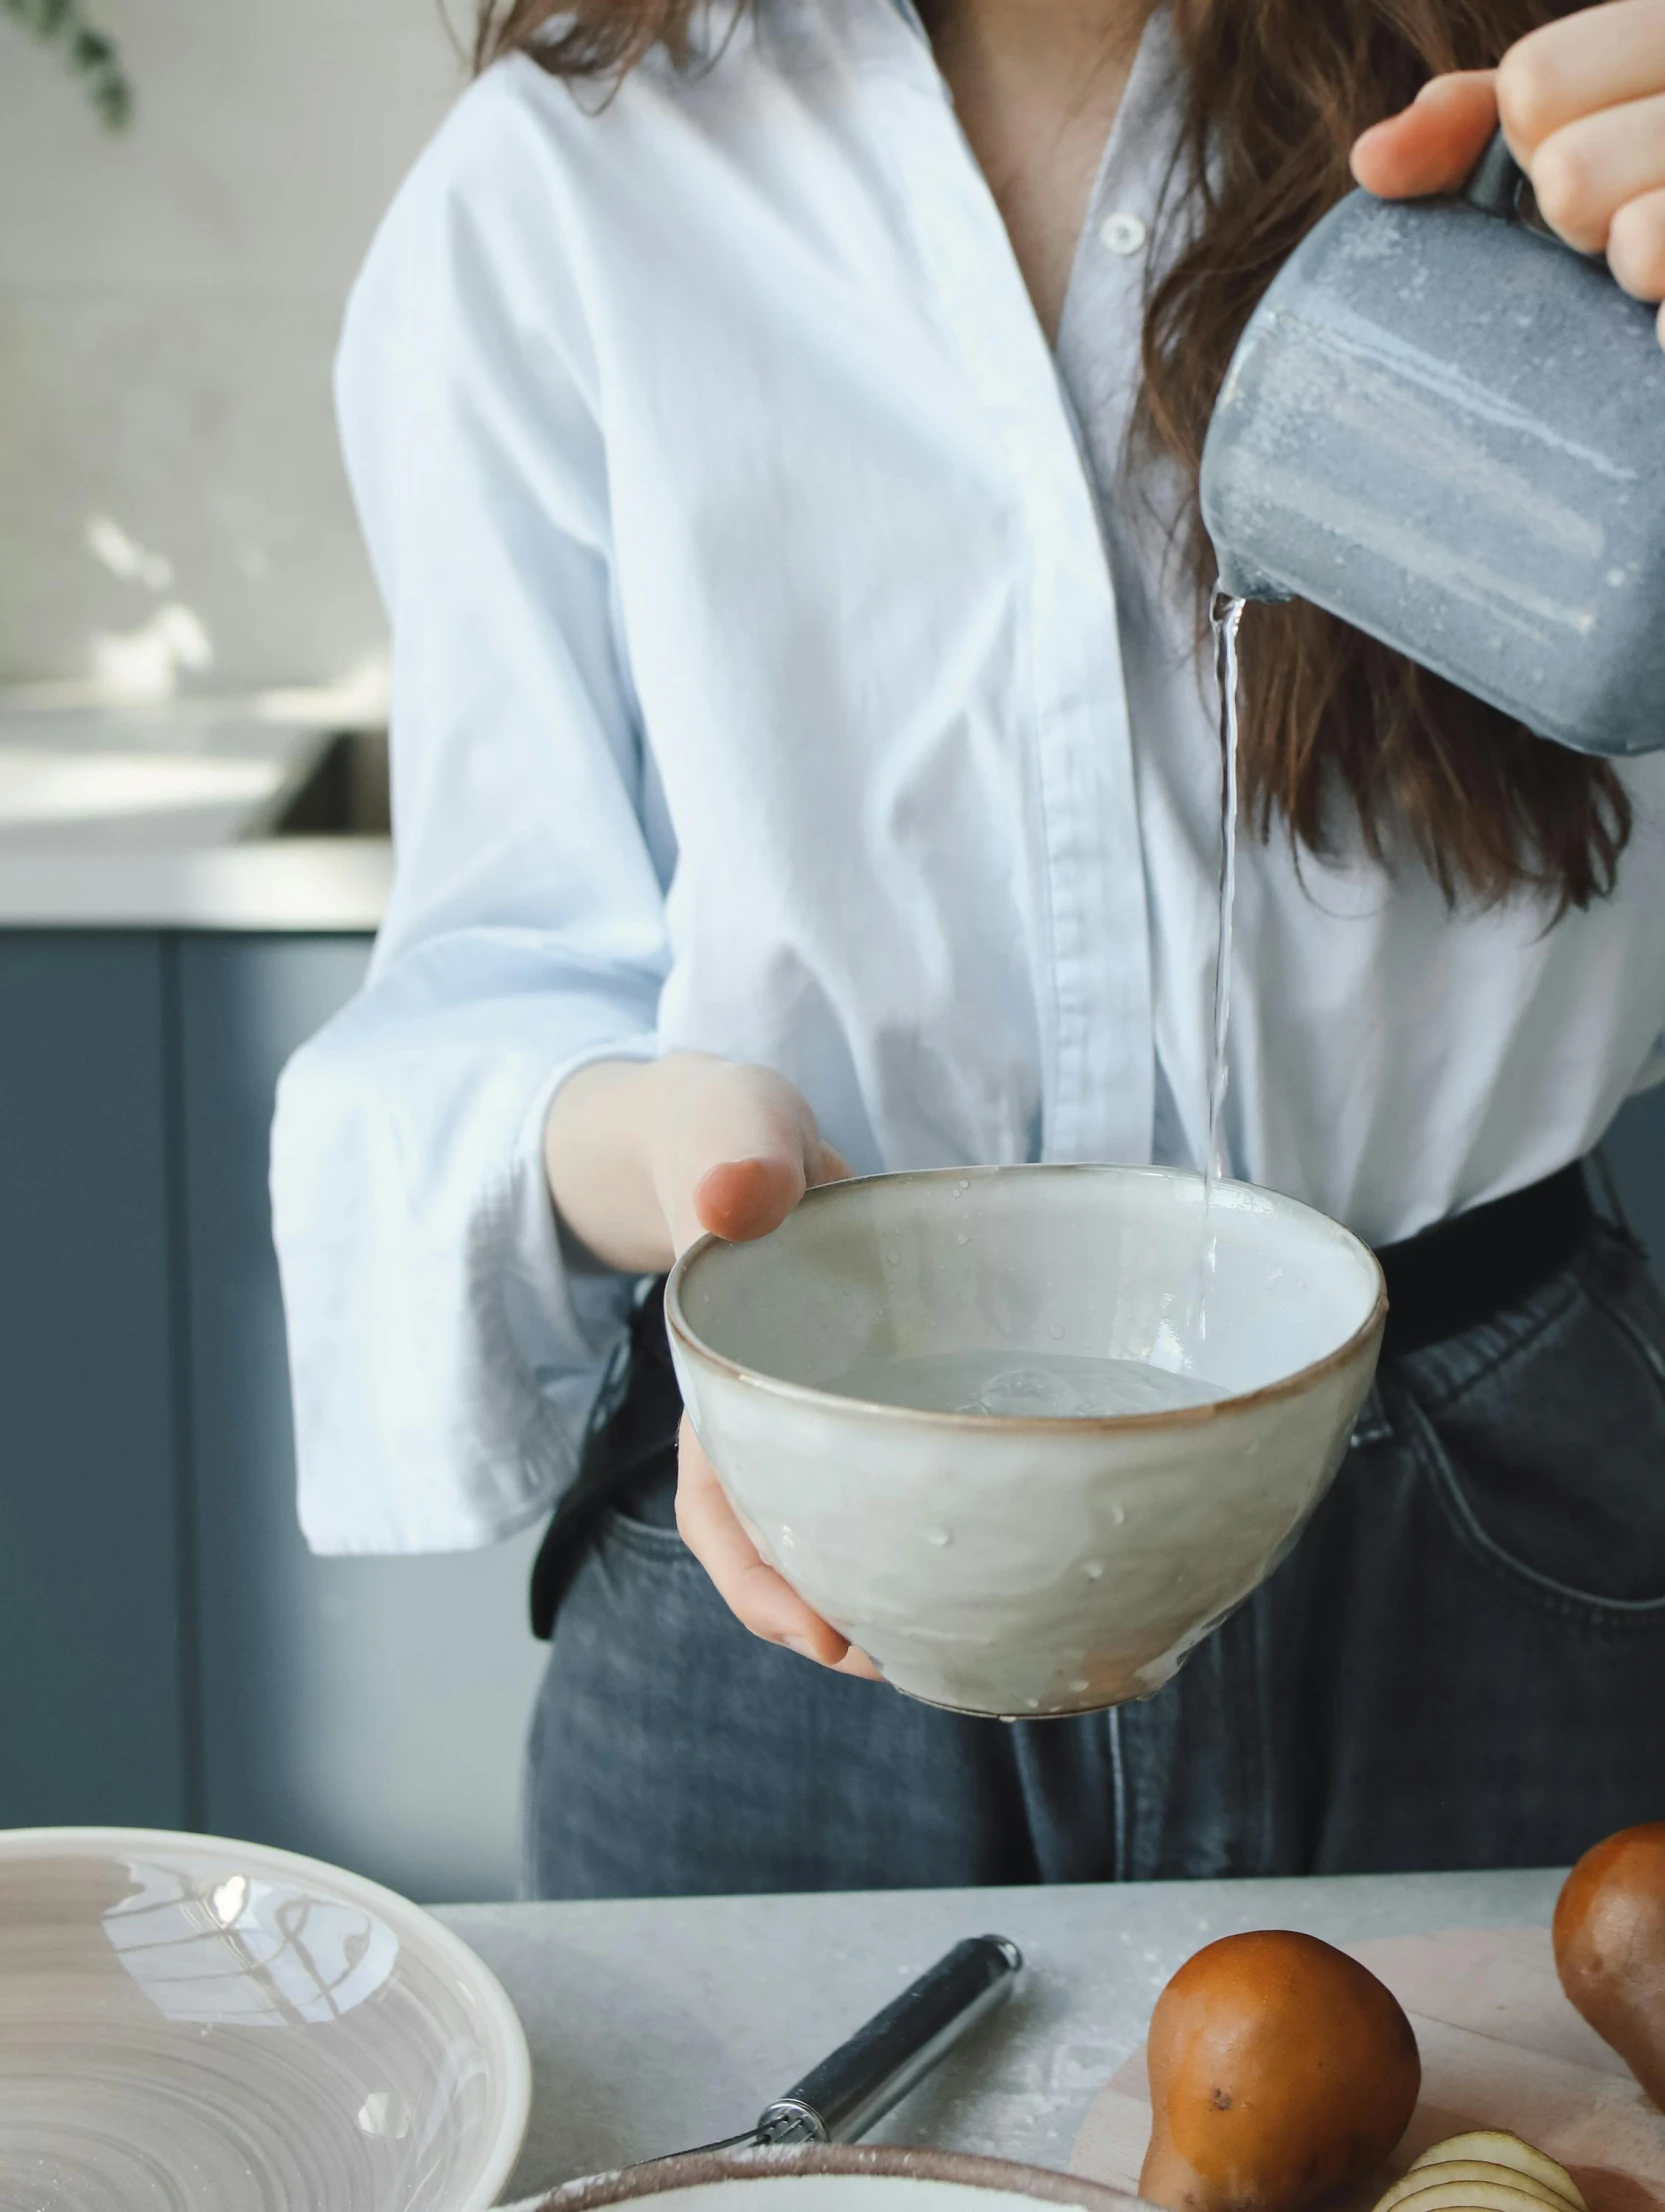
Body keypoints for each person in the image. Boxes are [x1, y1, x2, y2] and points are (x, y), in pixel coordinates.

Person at [272, 0, 1665, 1900]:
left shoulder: (1569, 109)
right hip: (801, 1526)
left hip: (1490, 1519)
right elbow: (492, 976)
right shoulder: (560, 186)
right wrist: (669, 1145)